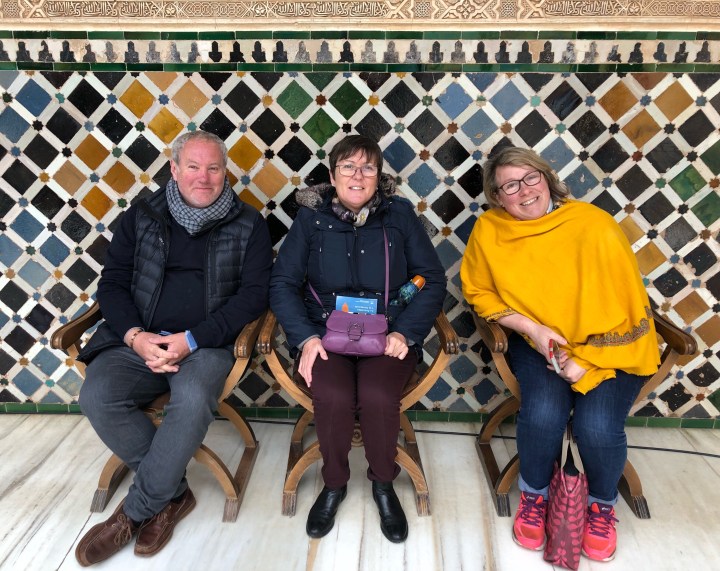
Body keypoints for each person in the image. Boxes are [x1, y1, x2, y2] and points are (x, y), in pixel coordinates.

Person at [74, 130, 272, 566]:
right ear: (175, 169)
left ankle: (134, 512)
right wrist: (135, 337)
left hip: (207, 344)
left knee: (194, 397)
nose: (204, 177)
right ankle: (174, 493)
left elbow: (254, 297)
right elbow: (112, 283)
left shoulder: (249, 223)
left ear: (226, 172)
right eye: (194, 167)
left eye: (214, 168)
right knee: (98, 395)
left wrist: (191, 340)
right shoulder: (141, 215)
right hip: (139, 339)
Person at [460, 146, 659, 562]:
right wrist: (533, 329)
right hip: (539, 345)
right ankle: (534, 497)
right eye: (510, 186)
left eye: (531, 177)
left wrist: (587, 359)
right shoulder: (490, 230)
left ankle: (601, 507)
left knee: (597, 426)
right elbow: (478, 291)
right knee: (544, 413)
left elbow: (628, 302)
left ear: (547, 178)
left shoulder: (593, 224)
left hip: (612, 347)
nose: (524, 190)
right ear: (497, 196)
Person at [269, 135, 445, 543]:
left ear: (378, 176)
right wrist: (305, 338)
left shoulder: (399, 216)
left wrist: (406, 332)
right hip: (324, 335)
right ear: (332, 176)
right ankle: (334, 484)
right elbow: (282, 283)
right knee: (334, 396)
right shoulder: (310, 220)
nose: (358, 175)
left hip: (388, 334)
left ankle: (383, 483)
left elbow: (432, 278)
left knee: (377, 396)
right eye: (348, 166)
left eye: (368, 167)